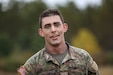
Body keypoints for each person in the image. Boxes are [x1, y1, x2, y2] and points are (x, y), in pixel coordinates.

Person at [18, 9, 99, 75]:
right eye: (47, 26)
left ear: (64, 27)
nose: (53, 30)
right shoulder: (31, 65)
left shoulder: (84, 58)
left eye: (56, 24)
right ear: (41, 32)